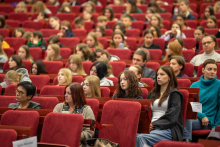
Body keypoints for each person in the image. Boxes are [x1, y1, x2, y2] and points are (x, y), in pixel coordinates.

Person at [136, 65, 183, 146]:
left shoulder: (175, 94)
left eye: (162, 74)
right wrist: (146, 124)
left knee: (141, 138)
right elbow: (145, 112)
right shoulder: (152, 93)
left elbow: (172, 117)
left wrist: (154, 124)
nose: (158, 77)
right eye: (157, 74)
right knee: (131, 135)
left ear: (170, 77)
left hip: (167, 129)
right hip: (151, 128)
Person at [183, 59, 220, 142]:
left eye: (215, 70)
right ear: (203, 70)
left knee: (185, 120)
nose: (212, 72)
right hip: (197, 117)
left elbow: (219, 108)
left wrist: (216, 126)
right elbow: (193, 104)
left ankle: (186, 142)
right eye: (209, 69)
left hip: (208, 121)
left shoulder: (219, 85)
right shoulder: (195, 85)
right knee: (181, 118)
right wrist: (201, 116)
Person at [53, 83, 95, 147]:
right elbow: (53, 126)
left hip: (78, 143)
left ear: (77, 95)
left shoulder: (87, 110)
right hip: (59, 141)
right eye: (65, 93)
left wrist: (73, 136)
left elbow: (89, 132)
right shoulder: (59, 107)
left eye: (69, 93)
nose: (65, 95)